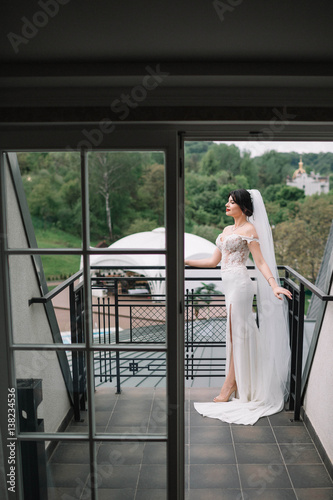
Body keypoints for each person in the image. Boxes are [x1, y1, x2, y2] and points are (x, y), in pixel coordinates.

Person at [184, 189, 292, 425]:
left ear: (243, 207)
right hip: (229, 287)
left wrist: (274, 285)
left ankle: (230, 384)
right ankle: (236, 381)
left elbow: (260, 261)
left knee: (236, 335)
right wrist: (184, 260)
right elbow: (213, 262)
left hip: (241, 286)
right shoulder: (226, 231)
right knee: (237, 335)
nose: (227, 204)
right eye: (228, 201)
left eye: (232, 202)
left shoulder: (249, 230)